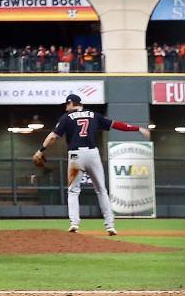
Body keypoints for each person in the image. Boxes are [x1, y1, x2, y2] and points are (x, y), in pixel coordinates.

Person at [33, 94, 151, 236]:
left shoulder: (66, 117)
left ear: (71, 103)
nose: (66, 107)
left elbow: (52, 137)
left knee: (73, 191)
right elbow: (117, 125)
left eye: (66, 104)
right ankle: (110, 226)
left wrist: (41, 150)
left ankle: (74, 224)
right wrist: (137, 128)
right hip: (92, 155)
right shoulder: (94, 115)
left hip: (76, 156)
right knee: (101, 190)